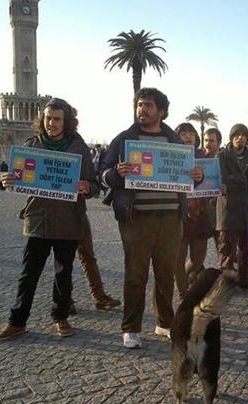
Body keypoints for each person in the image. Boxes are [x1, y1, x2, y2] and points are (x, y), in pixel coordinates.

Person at [99, 88, 203, 349]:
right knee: (136, 274)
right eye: (139, 105)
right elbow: (101, 173)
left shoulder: (176, 143)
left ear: (161, 111)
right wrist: (115, 173)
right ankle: (131, 327)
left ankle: (164, 322)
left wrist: (196, 177)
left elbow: (189, 180)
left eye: (148, 105)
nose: (142, 109)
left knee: (166, 273)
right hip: (136, 218)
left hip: (170, 218)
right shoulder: (124, 140)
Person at [0, 97, 99, 341]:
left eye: (57, 119)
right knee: (28, 273)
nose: (52, 123)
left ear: (67, 122)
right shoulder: (32, 145)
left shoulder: (78, 148)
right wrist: (4, 181)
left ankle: (60, 317)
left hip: (69, 220)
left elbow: (94, 184)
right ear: (43, 119)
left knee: (63, 273)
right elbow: (15, 176)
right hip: (38, 218)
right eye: (48, 118)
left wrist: (87, 187)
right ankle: (17, 322)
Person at [216, 124, 248, 291]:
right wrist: (242, 179)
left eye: (243, 135)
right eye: (237, 135)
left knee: (246, 250)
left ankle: (243, 281)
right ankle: (225, 283)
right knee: (227, 250)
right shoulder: (222, 155)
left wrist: (237, 181)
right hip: (228, 210)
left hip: (247, 209)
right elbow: (223, 179)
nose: (240, 137)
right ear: (231, 137)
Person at [173, 122, 213, 299]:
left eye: (191, 133)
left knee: (197, 260)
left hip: (200, 216)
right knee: (177, 260)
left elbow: (212, 184)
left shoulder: (205, 159)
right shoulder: (171, 157)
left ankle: (187, 280)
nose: (188, 136)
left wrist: (220, 188)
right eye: (183, 133)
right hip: (178, 216)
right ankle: (183, 294)